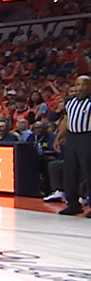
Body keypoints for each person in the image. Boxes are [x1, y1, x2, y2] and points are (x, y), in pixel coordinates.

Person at [55, 75, 91, 216]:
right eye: (78, 84)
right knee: (70, 171)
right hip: (72, 137)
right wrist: (59, 137)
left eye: (84, 84)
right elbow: (66, 120)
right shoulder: (70, 102)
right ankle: (73, 204)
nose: (80, 87)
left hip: (87, 137)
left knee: (88, 171)